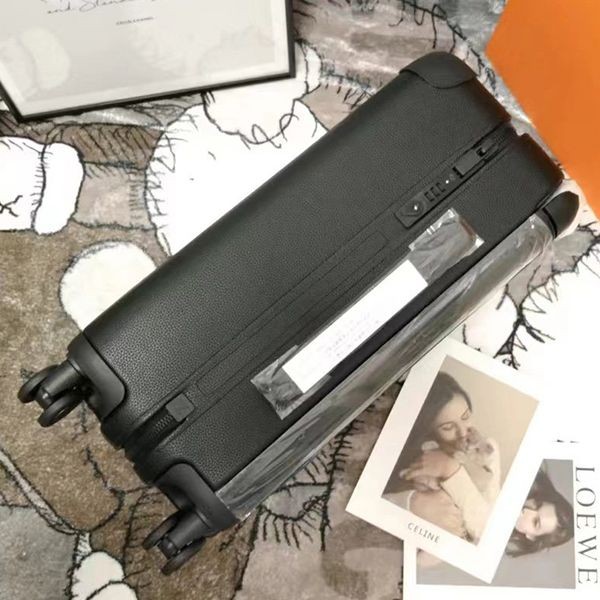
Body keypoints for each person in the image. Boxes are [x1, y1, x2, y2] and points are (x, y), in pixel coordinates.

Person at [384, 371, 500, 542]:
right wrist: (414, 503)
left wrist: (451, 468)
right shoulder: (419, 453)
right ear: (427, 429)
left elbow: (487, 528)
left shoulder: (487, 449)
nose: (463, 433)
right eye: (448, 427)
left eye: (466, 417)